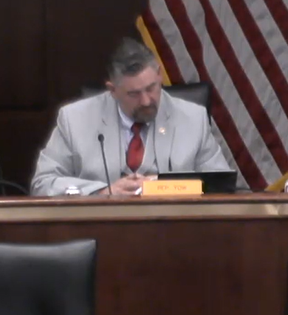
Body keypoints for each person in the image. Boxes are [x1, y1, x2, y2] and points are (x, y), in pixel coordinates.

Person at [31, 38, 230, 196]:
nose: (145, 101)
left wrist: (163, 188)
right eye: (134, 94)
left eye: (151, 88)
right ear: (113, 90)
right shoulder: (74, 119)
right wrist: (102, 192)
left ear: (159, 75)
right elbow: (42, 184)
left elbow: (220, 186)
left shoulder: (194, 118)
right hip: (101, 232)